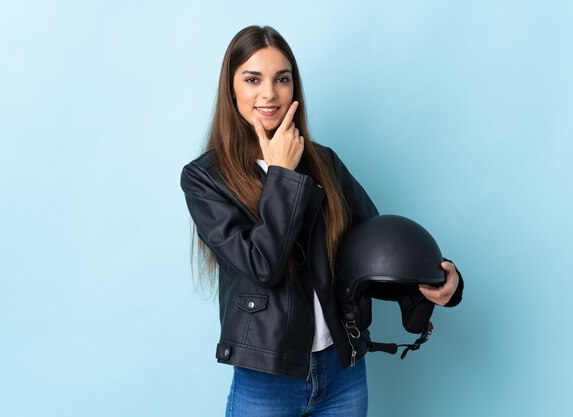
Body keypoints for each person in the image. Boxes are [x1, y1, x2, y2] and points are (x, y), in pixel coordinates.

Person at [181, 25, 463, 417]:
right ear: (231, 91)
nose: (269, 93)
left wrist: (438, 285)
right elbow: (262, 265)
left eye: (282, 79)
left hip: (341, 372)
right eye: (252, 79)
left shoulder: (324, 162)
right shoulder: (205, 179)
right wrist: (281, 174)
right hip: (267, 378)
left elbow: (375, 246)